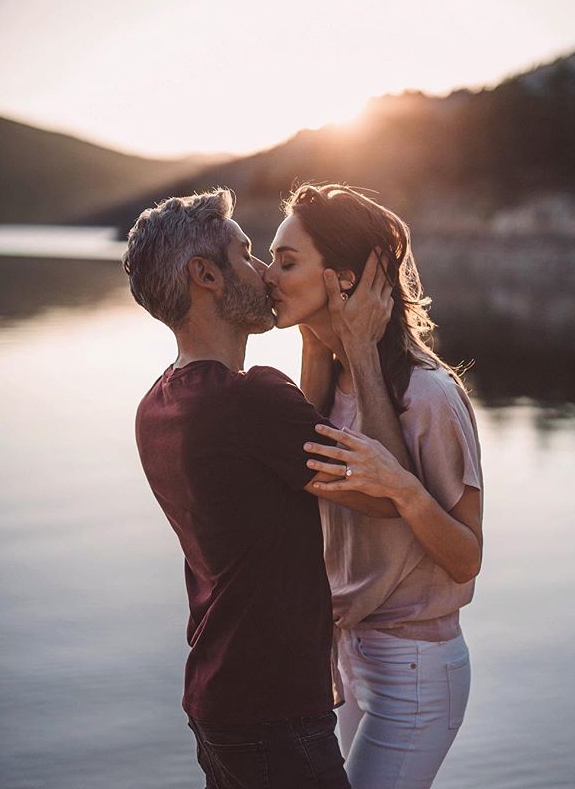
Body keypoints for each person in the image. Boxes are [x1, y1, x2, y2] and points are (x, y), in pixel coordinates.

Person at [122, 188, 400, 789]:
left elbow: (281, 457)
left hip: (216, 700)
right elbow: (385, 495)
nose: (264, 272)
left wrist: (309, 341)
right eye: (246, 255)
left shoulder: (157, 405)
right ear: (206, 276)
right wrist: (358, 348)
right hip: (274, 709)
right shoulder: (249, 400)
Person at [265, 184, 483, 789]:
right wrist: (320, 342)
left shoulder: (431, 396)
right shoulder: (327, 383)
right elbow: (303, 479)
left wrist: (409, 492)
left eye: (287, 262)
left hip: (415, 663)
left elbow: (467, 558)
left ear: (344, 281)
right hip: (351, 651)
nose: (269, 276)